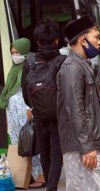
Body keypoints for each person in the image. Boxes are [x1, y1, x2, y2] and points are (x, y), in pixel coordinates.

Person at [57, 15, 100, 190]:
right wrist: (87, 147)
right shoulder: (72, 67)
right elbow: (75, 110)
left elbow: (94, 110)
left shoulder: (83, 65)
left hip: (87, 144)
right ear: (83, 40)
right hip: (80, 146)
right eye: (96, 37)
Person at [23, 21, 65, 191]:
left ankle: (48, 183)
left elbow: (26, 92)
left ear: (38, 42)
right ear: (56, 40)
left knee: (44, 151)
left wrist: (35, 105)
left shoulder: (30, 62)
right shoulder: (63, 61)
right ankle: (52, 187)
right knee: (56, 152)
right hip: (58, 114)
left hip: (39, 114)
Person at [0, 38, 45, 188]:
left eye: (17, 52)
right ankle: (28, 174)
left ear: (25, 51)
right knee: (21, 144)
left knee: (32, 142)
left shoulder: (30, 66)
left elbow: (33, 90)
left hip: (26, 112)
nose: (15, 55)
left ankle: (41, 175)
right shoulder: (14, 69)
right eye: (12, 53)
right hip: (14, 116)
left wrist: (31, 109)